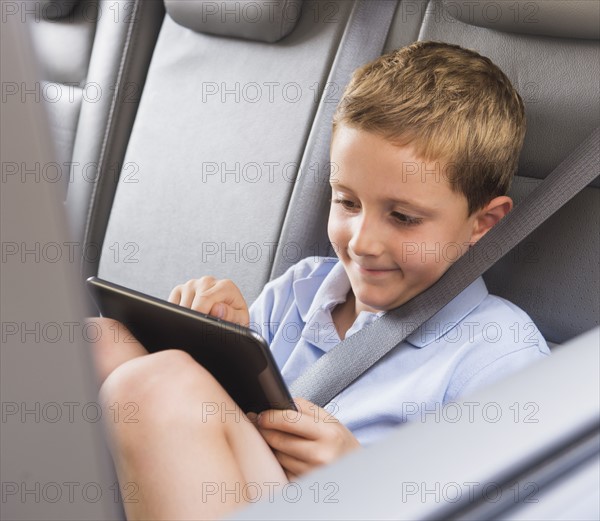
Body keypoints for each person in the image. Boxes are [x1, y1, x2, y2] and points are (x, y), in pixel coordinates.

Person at [92, 41, 550, 520]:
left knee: (155, 387)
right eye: (347, 203)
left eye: (403, 217)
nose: (362, 241)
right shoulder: (300, 291)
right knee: (99, 340)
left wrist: (364, 479)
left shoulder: (498, 356)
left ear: (483, 223)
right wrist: (214, 338)